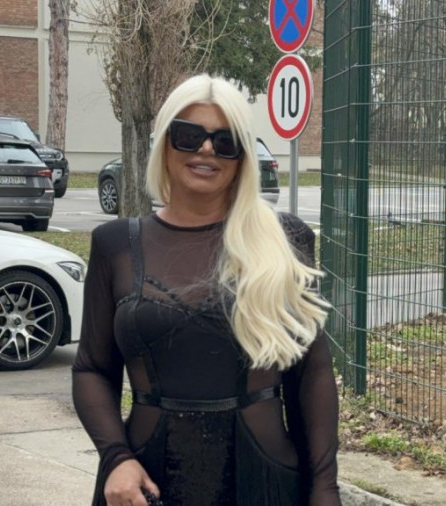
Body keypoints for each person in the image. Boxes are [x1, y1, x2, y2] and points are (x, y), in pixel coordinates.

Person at [72, 74, 341, 506]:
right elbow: (91, 369)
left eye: (225, 141)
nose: (206, 149)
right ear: (165, 144)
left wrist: (324, 489)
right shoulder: (116, 245)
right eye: (188, 135)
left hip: (264, 482)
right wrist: (115, 458)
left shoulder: (283, 239)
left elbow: (310, 372)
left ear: (242, 157)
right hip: (145, 483)